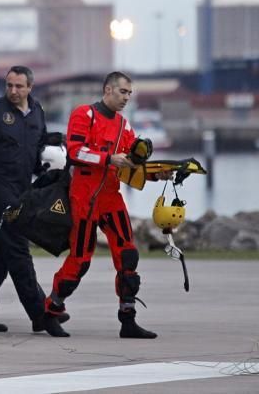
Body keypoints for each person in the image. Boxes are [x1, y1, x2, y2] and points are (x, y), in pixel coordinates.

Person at [42, 71, 167, 339]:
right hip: (84, 197)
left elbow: (134, 163)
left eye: (130, 93)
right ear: (108, 90)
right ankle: (51, 310)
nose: (126, 98)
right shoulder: (83, 114)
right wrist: (109, 159)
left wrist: (159, 174)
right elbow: (75, 152)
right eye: (123, 92)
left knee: (128, 256)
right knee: (80, 261)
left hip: (111, 198)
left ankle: (128, 319)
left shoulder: (124, 125)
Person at [0, 66, 62, 333]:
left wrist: (49, 162)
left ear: (30, 88)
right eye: (9, 85)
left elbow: (37, 150)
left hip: (22, 190)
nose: (13, 91)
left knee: (1, 249)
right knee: (18, 247)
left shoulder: (37, 112)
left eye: (19, 86)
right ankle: (40, 312)